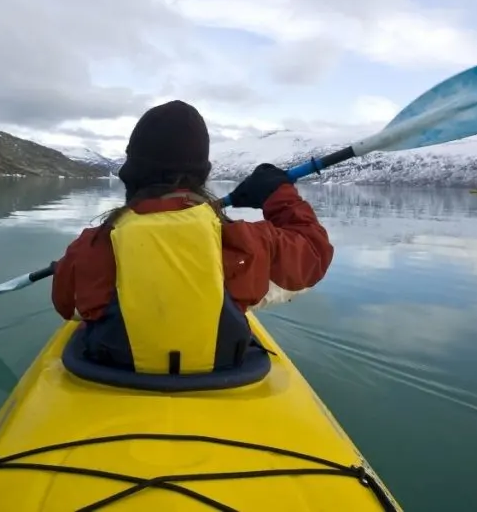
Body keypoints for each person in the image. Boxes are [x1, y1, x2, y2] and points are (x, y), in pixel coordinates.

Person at [51, 100, 334, 377]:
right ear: (201, 177)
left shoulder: (90, 247)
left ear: (132, 173)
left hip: (112, 373)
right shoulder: (245, 243)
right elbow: (315, 253)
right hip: (223, 374)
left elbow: (67, 305)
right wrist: (278, 195)